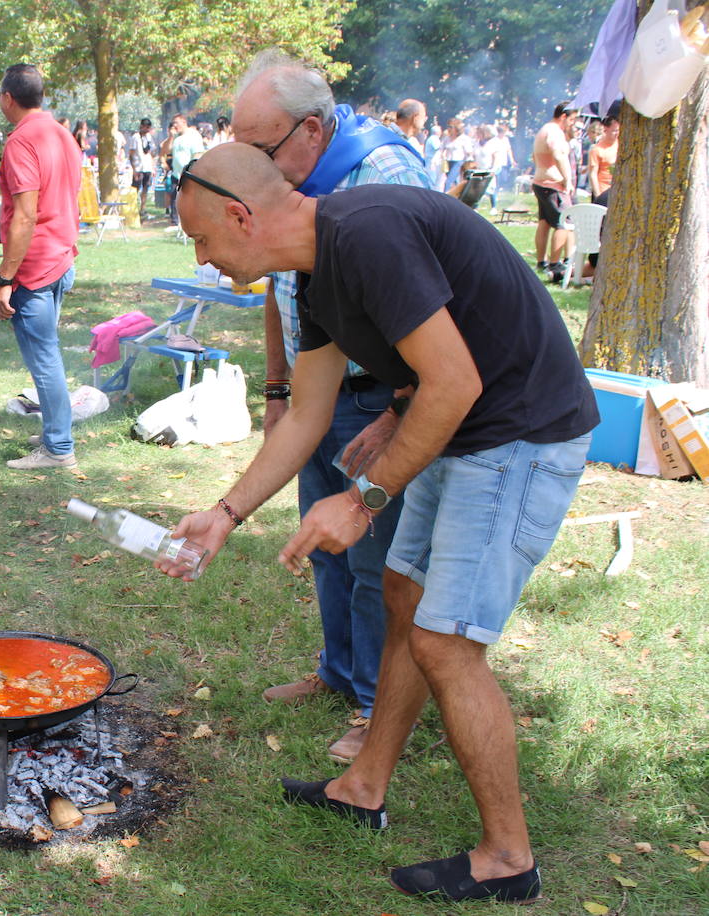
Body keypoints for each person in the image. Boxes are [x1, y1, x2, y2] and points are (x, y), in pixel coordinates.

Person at [171, 142, 597, 904]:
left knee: (446, 641)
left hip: (520, 433)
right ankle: (364, 787)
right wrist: (226, 513)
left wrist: (363, 497)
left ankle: (508, 857)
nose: (203, 259)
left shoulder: (367, 232)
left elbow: (457, 380)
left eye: (201, 238)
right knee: (402, 595)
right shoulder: (314, 271)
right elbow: (308, 413)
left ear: (241, 215)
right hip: (467, 428)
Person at [231, 49, 428, 764]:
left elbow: (430, 336)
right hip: (319, 389)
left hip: (383, 397)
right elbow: (282, 298)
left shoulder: (383, 176)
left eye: (260, 148)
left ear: (312, 131)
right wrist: (277, 391)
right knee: (325, 548)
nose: (249, 166)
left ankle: (381, 705)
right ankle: (340, 671)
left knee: (375, 557)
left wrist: (394, 416)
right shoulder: (289, 187)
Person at [0, 64, 82, 471]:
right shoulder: (62, 134)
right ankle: (54, 431)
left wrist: (5, 278)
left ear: (8, 98)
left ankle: (58, 448)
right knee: (48, 357)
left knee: (44, 360)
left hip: (37, 266)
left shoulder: (20, 142)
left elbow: (26, 215)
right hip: (61, 257)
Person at [532, 102, 578, 281]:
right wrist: (567, 180)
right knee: (563, 223)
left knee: (544, 222)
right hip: (552, 184)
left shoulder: (544, 129)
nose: (572, 123)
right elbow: (558, 154)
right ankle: (554, 263)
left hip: (541, 182)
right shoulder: (554, 132)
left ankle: (541, 261)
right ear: (564, 116)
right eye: (572, 119)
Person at [167, 113, 204, 226]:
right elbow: (168, 151)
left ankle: (190, 222)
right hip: (175, 174)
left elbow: (197, 154)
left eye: (176, 123)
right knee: (174, 199)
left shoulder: (193, 135)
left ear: (184, 122)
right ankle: (175, 222)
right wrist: (171, 137)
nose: (174, 126)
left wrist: (191, 172)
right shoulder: (176, 137)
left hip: (188, 174)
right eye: (173, 124)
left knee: (188, 200)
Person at [128, 118, 158, 219]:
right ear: (141, 126)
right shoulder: (135, 137)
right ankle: (133, 209)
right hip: (138, 167)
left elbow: (153, 152)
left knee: (145, 189)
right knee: (135, 189)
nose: (147, 130)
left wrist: (153, 167)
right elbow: (131, 154)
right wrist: (134, 169)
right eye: (146, 128)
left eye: (149, 128)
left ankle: (143, 209)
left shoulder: (149, 137)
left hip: (147, 167)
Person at [589, 108, 619, 208]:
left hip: (617, 191)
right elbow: (593, 174)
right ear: (606, 130)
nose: (617, 133)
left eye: (618, 130)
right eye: (614, 131)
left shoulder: (621, 146)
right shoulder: (597, 149)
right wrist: (598, 195)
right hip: (603, 191)